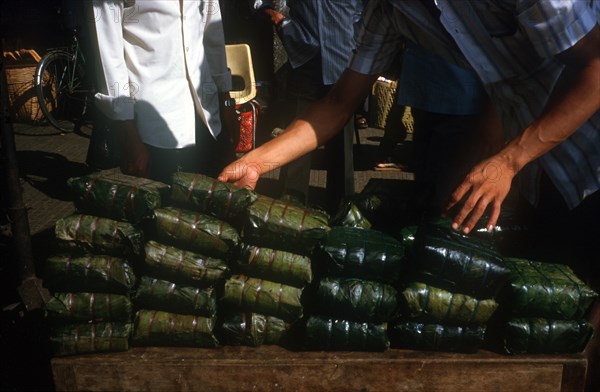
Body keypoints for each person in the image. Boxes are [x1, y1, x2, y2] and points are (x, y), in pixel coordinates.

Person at [87, 0, 237, 184]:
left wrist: (227, 102)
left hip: (207, 118)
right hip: (153, 128)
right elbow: (109, 56)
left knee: (209, 202)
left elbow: (212, 34)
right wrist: (128, 136)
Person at [252, 0, 363, 212]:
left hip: (344, 58)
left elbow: (369, 10)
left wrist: (358, 39)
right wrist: (277, 17)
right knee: (297, 129)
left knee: (341, 136)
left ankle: (341, 205)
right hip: (305, 55)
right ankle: (291, 202)